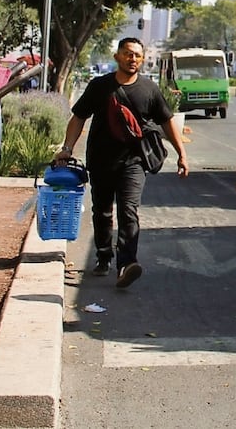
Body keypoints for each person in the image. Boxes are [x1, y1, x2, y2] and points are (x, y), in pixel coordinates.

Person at [55, 37, 189, 289]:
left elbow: (167, 121)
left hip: (134, 162)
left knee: (129, 211)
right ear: (117, 56)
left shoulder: (149, 89)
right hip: (101, 161)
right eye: (128, 54)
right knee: (102, 211)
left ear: (142, 59)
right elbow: (78, 118)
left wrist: (181, 152)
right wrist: (66, 149)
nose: (133, 59)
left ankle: (127, 264)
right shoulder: (99, 86)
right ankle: (104, 255)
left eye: (138, 55)